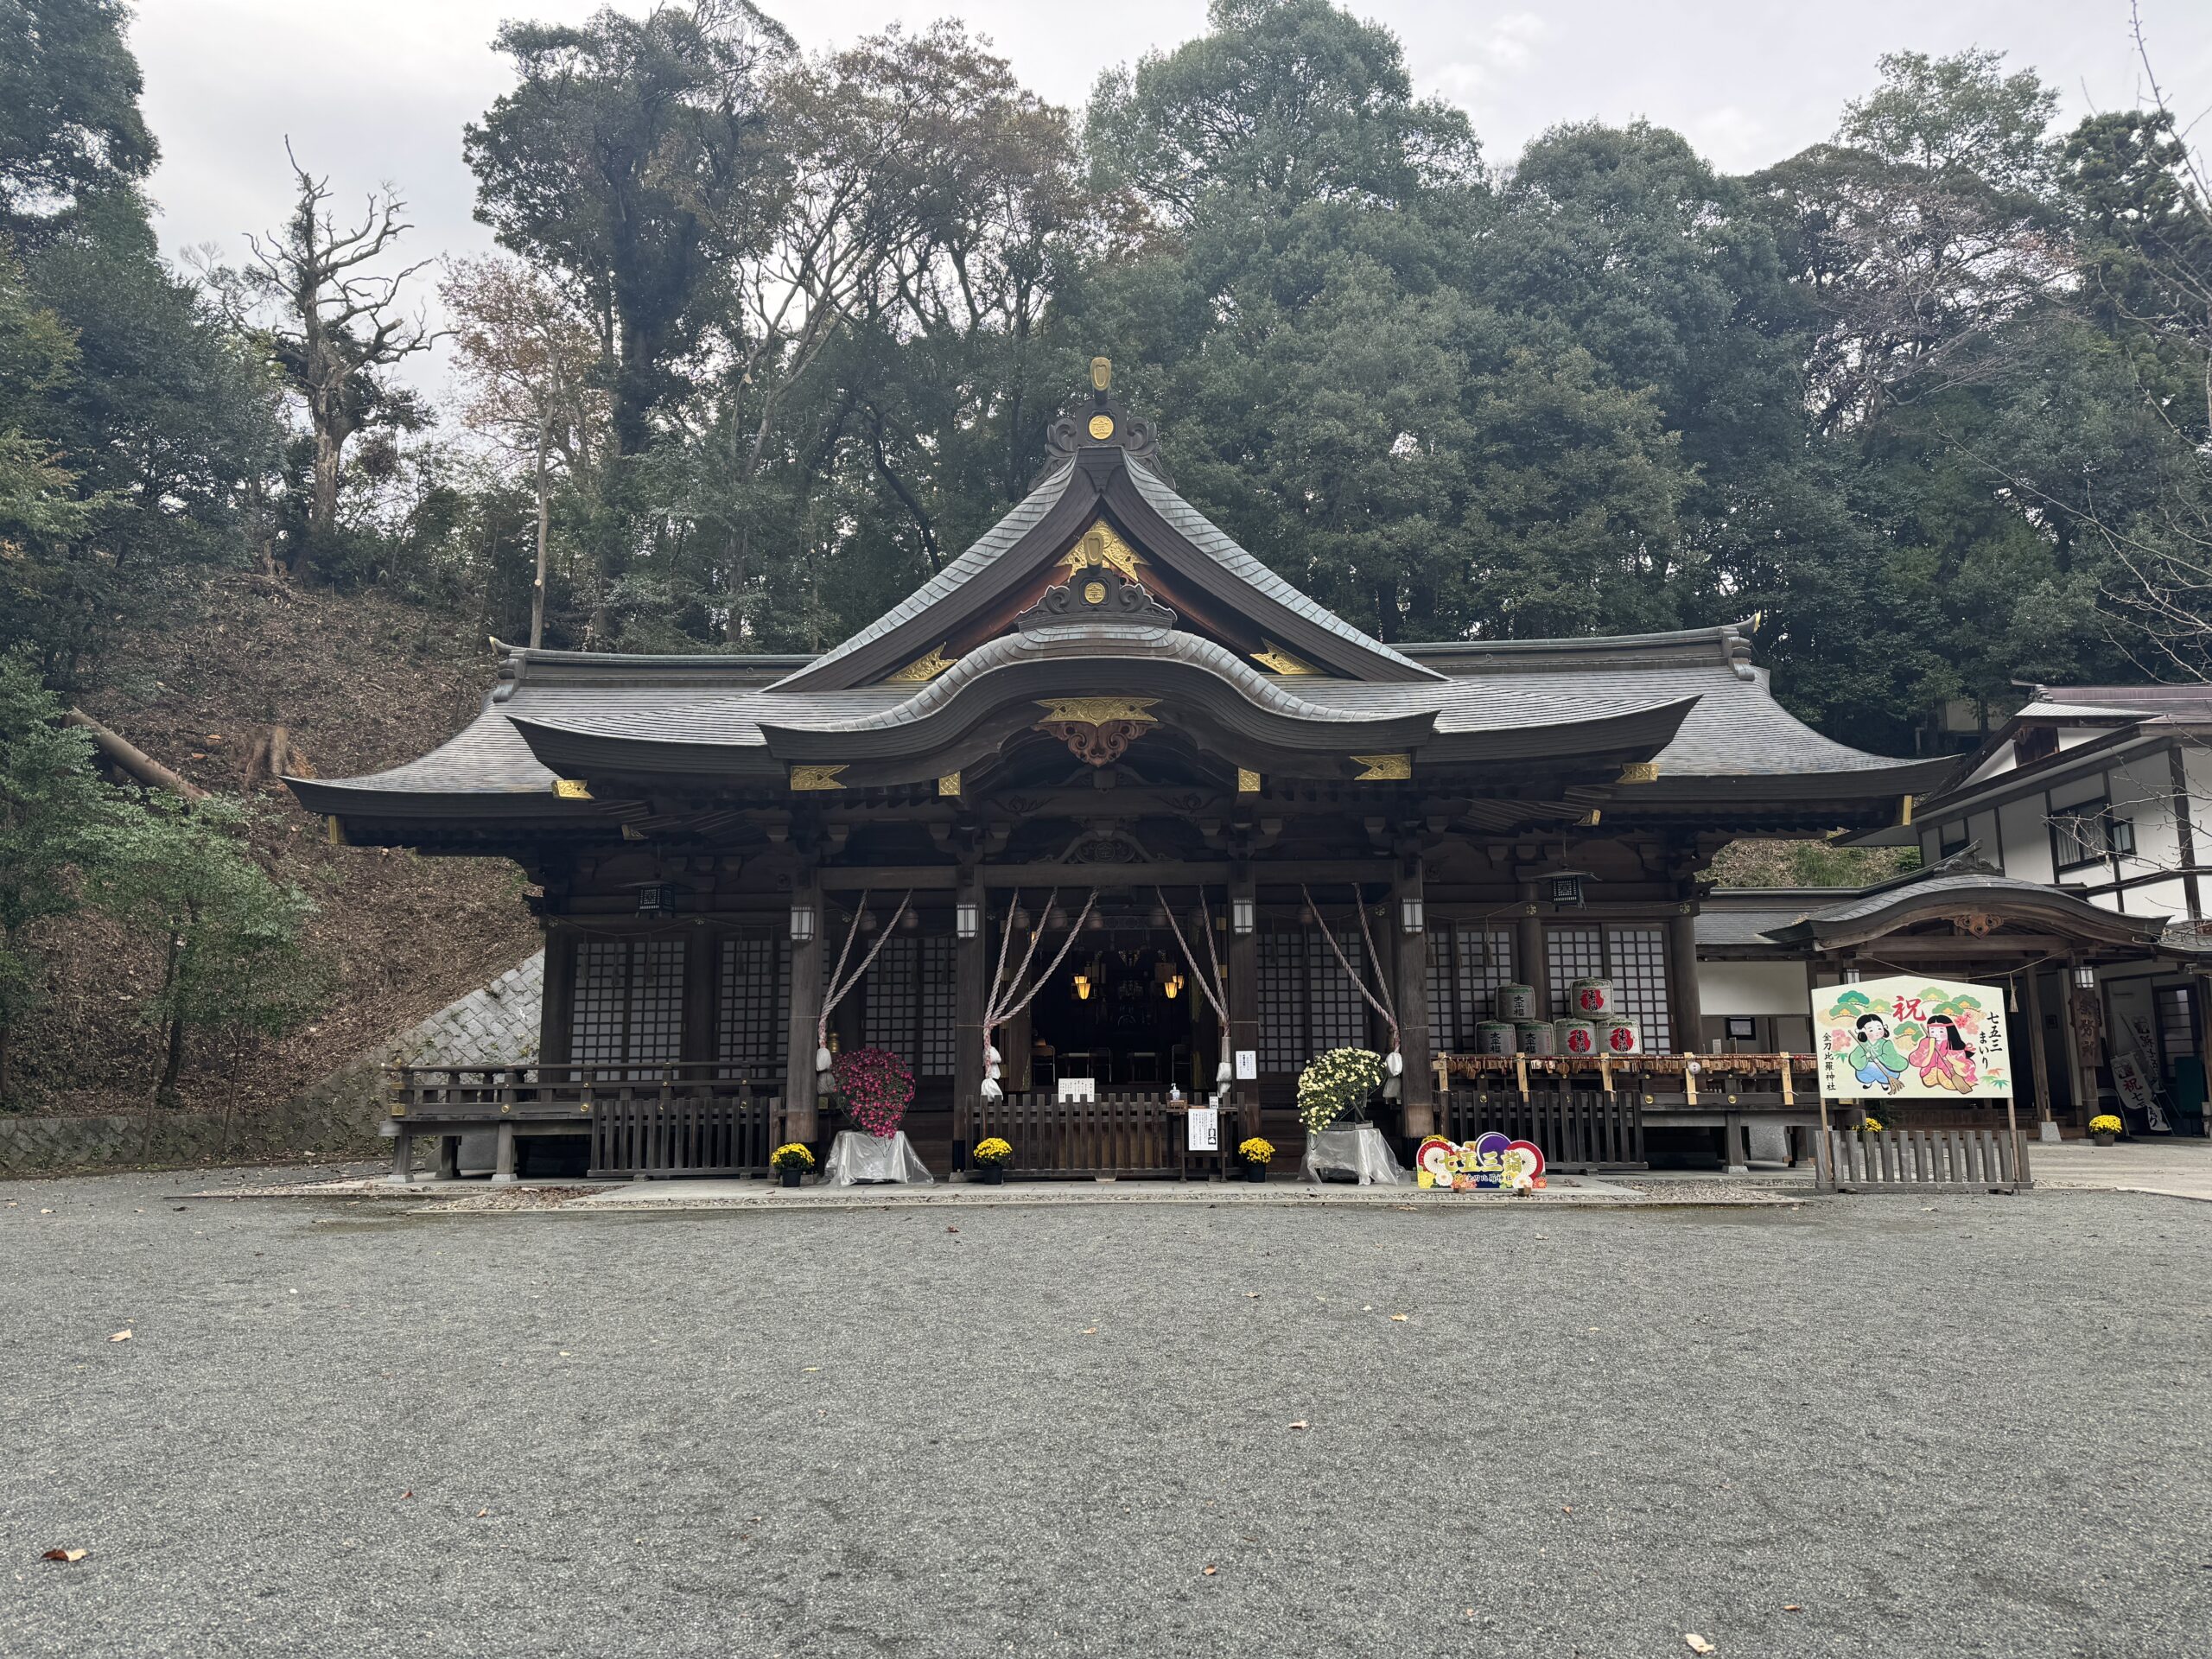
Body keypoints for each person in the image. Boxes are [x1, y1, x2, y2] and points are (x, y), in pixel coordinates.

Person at [1908, 1014, 1978, 1092]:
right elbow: (1922, 1063)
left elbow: (1961, 1064)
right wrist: (1931, 1050)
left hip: (1949, 1073)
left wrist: (1947, 1056)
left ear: (1949, 1031)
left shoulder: (1952, 1044)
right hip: (1930, 1072)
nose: (1936, 1034)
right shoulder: (1926, 1043)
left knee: (1950, 1082)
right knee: (1929, 1080)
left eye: (1941, 1031)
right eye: (1932, 1031)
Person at [1844, 1012, 1910, 1094]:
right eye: (1871, 1030)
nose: (1877, 1032)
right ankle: (1868, 1082)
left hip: (1883, 1065)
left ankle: (1884, 1083)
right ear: (1863, 1031)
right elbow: (1856, 1057)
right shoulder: (1862, 1045)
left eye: (1879, 1028)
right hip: (1868, 1067)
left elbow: (1891, 1056)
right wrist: (1865, 1057)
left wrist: (1879, 1058)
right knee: (1864, 1073)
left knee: (1887, 1074)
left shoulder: (1886, 1043)